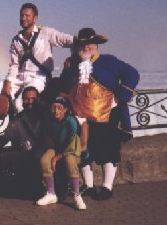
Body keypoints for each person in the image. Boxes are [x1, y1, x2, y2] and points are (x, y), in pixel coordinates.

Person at [60, 28, 139, 200]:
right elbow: (65, 86)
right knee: (84, 150)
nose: (86, 47)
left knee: (107, 149)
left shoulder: (109, 61)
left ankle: (107, 187)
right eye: (82, 44)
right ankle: (88, 185)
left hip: (107, 114)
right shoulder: (72, 64)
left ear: (96, 45)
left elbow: (132, 74)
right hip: (81, 116)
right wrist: (66, 71)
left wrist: (119, 97)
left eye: (89, 43)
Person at [2, 3, 74, 113]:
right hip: (19, 76)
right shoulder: (16, 40)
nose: (23, 18)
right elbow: (14, 65)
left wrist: (80, 42)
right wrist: (8, 80)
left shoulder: (45, 32)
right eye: (21, 15)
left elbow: (65, 40)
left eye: (27, 15)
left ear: (35, 18)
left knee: (19, 104)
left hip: (38, 77)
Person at [0, 87, 45, 198]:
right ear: (22, 100)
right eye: (26, 99)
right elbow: (5, 138)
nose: (30, 102)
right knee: (0, 156)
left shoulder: (45, 117)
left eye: (33, 99)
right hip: (27, 155)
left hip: (43, 155)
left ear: (38, 99)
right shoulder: (18, 119)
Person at [36, 97, 86, 211]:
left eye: (59, 108)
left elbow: (74, 145)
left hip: (72, 150)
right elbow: (48, 139)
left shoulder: (71, 121)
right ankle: (51, 193)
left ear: (65, 110)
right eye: (53, 108)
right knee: (44, 160)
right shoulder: (48, 120)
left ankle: (77, 196)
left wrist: (57, 157)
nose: (56, 111)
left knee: (70, 160)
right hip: (56, 149)